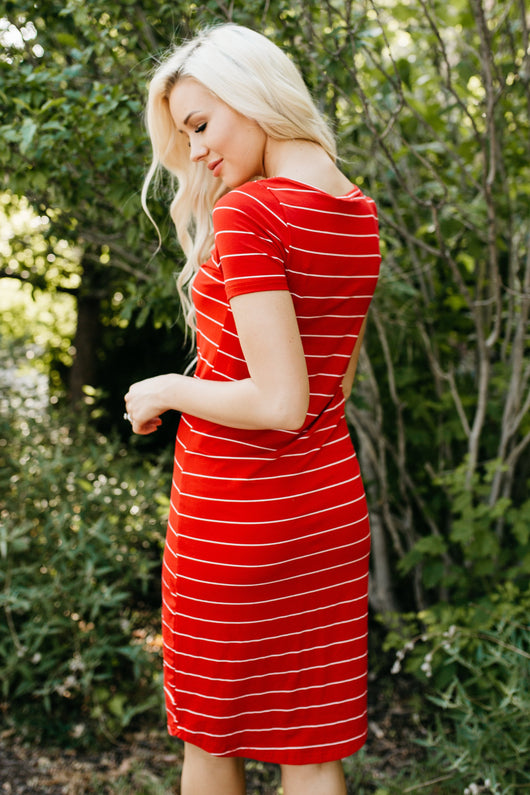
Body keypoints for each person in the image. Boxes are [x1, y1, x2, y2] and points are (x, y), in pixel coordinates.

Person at [124, 23, 381, 795]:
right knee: (313, 749)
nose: (197, 151)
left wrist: (166, 389)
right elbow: (333, 387)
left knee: (212, 737)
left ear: (253, 93)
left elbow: (280, 400)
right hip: (326, 508)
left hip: (236, 512)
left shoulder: (251, 213)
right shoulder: (356, 209)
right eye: (186, 136)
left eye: (202, 124)